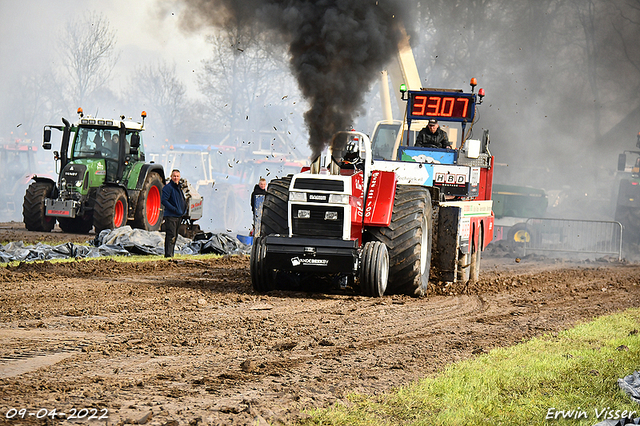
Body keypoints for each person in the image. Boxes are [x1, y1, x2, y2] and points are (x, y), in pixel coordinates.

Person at [161, 169, 187, 258]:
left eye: (177, 176)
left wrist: (184, 210)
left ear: (179, 177)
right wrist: (174, 209)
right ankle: (168, 255)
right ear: (171, 177)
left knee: (175, 236)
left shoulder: (179, 188)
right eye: (174, 176)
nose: (176, 178)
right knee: (170, 235)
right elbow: (164, 200)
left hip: (179, 216)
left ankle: (171, 254)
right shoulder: (168, 187)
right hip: (171, 216)